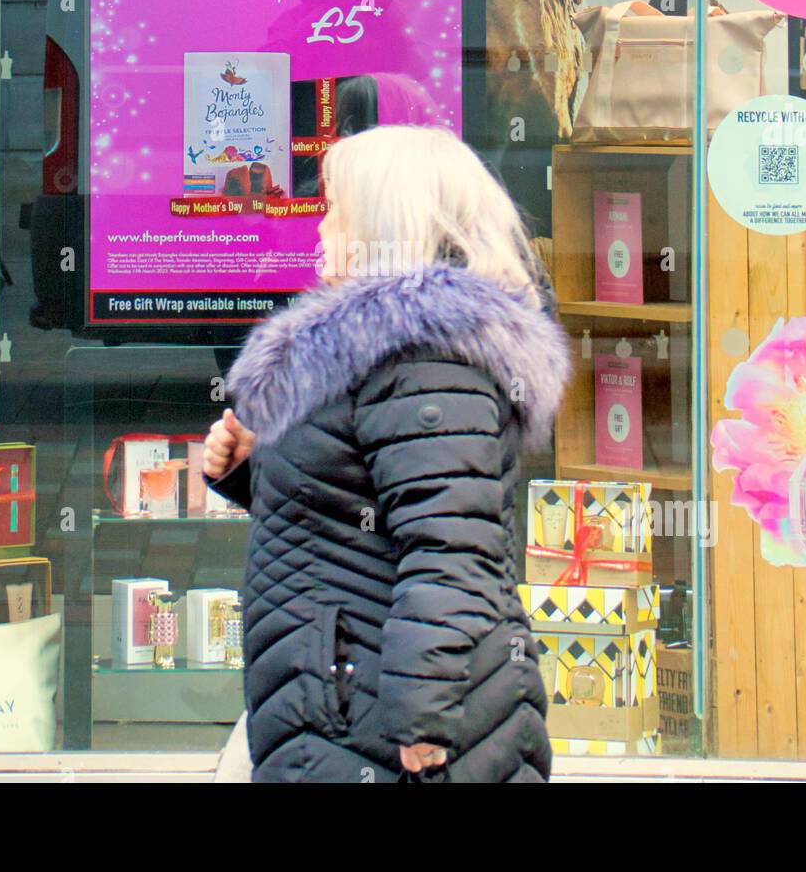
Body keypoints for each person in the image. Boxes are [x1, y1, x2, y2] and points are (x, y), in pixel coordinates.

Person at [202, 124, 571, 782]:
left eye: (334, 209)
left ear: (383, 220)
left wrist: (421, 719)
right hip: (350, 708)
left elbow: (451, 548)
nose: (320, 229)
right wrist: (249, 470)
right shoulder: (382, 354)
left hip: (384, 728)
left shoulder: (427, 360)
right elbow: (355, 503)